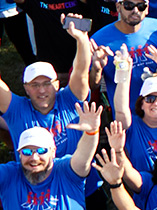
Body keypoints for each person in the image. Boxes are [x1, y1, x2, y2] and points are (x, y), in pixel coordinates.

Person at [0, 24, 91, 155]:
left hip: (76, 174)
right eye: (34, 85)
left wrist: (82, 39)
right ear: (26, 88)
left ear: (57, 85)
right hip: (34, 174)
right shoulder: (16, 110)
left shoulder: (71, 101)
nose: (41, 90)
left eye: (47, 83)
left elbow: (81, 71)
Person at [91, 0, 157, 106]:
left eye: (141, 6)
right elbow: (92, 86)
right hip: (125, 114)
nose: (135, 10)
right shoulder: (99, 39)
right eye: (129, 5)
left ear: (147, 9)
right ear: (118, 7)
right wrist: (97, 69)